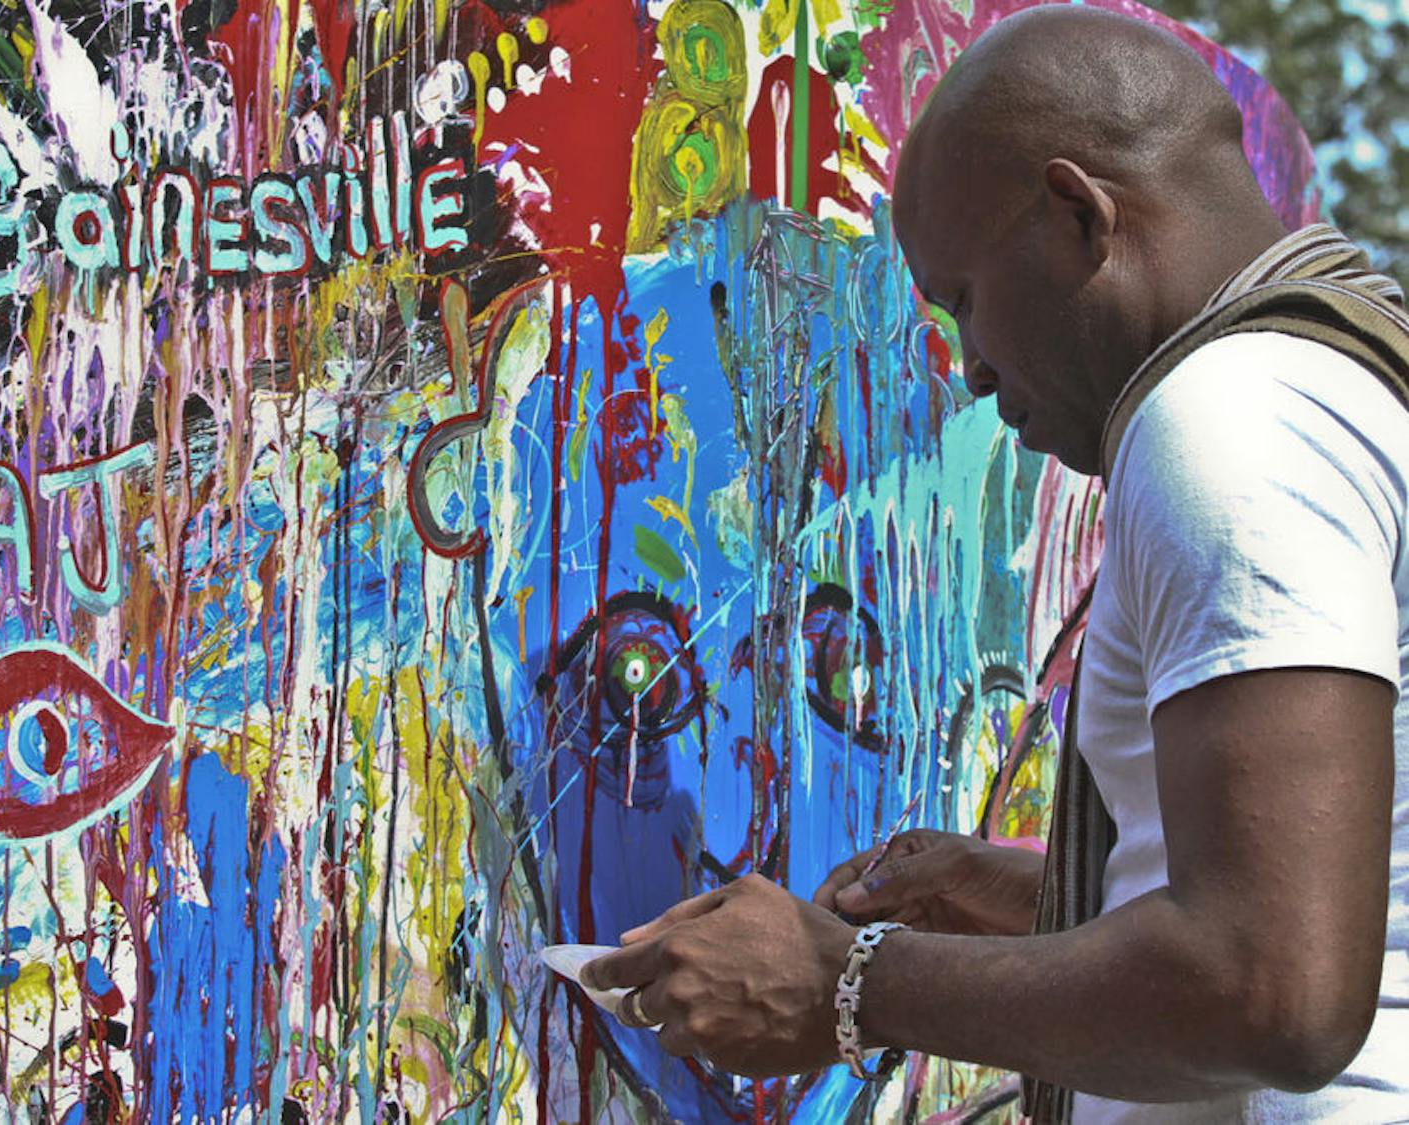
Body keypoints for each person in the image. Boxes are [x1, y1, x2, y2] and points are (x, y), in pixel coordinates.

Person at [581, 5, 1409, 1120]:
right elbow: (1342, 893)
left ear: (1077, 213)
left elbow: (1276, 990)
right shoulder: (1344, 376)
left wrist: (849, 982)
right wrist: (1037, 894)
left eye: (966, 300)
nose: (968, 368)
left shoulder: (1226, 421)